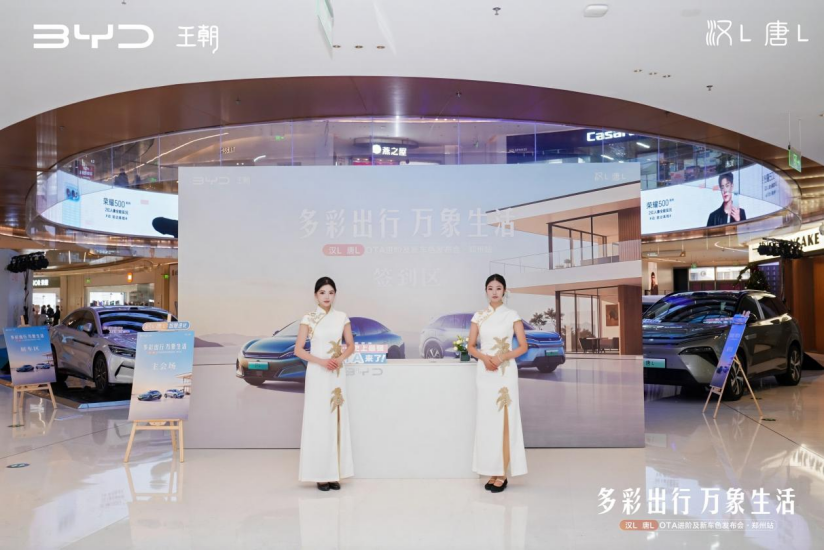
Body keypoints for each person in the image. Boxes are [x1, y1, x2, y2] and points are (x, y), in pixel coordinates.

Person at [467, 274, 529, 493]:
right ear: (486, 291)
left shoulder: (512, 315)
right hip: (485, 372)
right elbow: (471, 346)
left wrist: (501, 358)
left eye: (498, 288)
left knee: (505, 420)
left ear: (505, 291)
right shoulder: (479, 316)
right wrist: (485, 359)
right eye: (490, 288)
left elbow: (523, 346)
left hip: (505, 372)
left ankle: (502, 473)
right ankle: (492, 470)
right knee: (488, 421)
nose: (494, 292)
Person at [294, 276, 356, 491]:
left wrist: (339, 359)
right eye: (322, 292)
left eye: (330, 292)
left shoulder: (342, 317)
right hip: (318, 373)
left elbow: (351, 345)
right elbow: (298, 350)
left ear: (335, 294)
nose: (327, 296)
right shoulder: (308, 318)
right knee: (318, 420)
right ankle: (320, 474)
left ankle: (335, 473)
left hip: (337, 373)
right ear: (315, 295)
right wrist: (321, 361)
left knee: (336, 419)